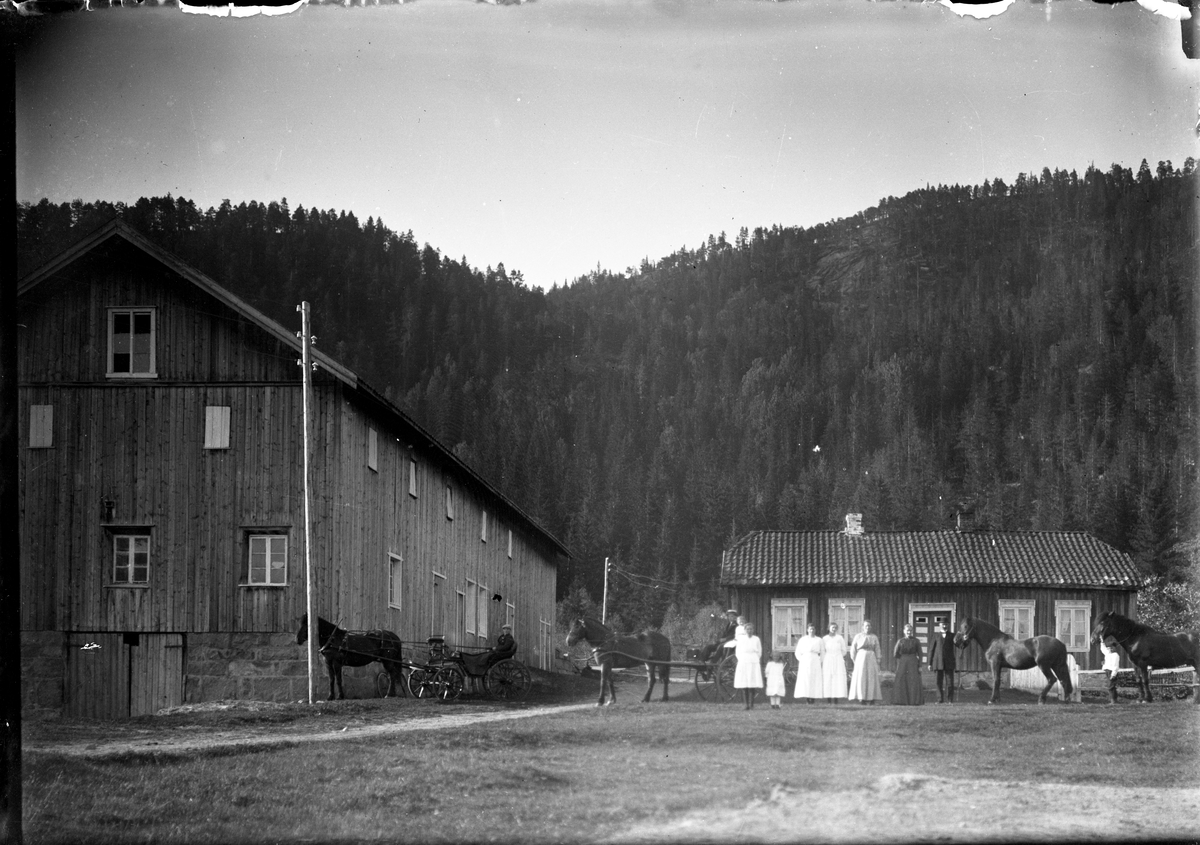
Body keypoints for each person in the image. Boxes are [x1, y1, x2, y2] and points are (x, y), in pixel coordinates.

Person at [849, 619, 883, 704]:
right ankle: (862, 698)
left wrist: (878, 658)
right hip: (861, 657)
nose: (867, 627)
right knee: (861, 677)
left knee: (871, 677)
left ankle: (871, 698)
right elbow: (853, 649)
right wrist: (854, 659)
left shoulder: (874, 637)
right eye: (866, 626)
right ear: (863, 627)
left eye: (869, 626)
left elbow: (877, 648)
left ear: (871, 627)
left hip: (871, 657)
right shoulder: (858, 636)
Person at [733, 622, 764, 710]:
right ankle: (746, 704)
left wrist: (755, 658)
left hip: (753, 661)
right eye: (748, 629)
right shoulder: (741, 639)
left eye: (751, 629)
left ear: (753, 630)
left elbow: (759, 651)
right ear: (745, 630)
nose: (749, 631)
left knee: (752, 684)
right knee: (745, 683)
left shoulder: (756, 639)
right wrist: (742, 659)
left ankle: (752, 704)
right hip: (743, 661)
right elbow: (738, 652)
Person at [891, 623, 924, 705]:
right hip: (903, 663)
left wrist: (920, 665)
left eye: (910, 631)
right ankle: (901, 701)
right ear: (904, 631)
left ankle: (914, 701)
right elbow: (895, 653)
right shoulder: (900, 641)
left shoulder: (916, 641)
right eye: (907, 631)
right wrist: (903, 658)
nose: (909, 632)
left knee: (913, 680)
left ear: (912, 631)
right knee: (901, 680)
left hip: (913, 662)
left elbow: (920, 653)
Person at [793, 623, 825, 703]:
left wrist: (820, 661)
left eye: (813, 629)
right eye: (810, 629)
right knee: (806, 679)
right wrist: (802, 660)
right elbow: (797, 652)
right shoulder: (803, 639)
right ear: (807, 630)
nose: (812, 630)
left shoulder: (819, 640)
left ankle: (813, 698)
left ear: (815, 630)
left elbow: (822, 652)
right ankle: (807, 697)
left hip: (815, 660)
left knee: (814, 679)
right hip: (805, 660)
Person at [927, 620, 956, 704]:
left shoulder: (952, 635)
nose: (944, 626)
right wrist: (929, 663)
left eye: (946, 624)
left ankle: (950, 700)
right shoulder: (936, 635)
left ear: (948, 625)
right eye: (943, 625)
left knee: (950, 682)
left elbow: (958, 644)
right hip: (938, 662)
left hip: (949, 662)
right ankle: (940, 699)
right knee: (938, 682)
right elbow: (931, 650)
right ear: (940, 625)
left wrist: (963, 640)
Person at [822, 622, 849, 703]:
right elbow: (823, 650)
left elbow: (844, 650)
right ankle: (829, 700)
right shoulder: (825, 638)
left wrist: (838, 656)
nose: (833, 629)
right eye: (832, 627)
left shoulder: (840, 638)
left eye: (835, 628)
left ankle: (836, 699)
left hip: (838, 660)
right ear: (829, 628)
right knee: (828, 678)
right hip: (828, 659)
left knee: (837, 678)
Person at [1100, 638, 1122, 703]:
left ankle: (1113, 700)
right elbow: (1102, 649)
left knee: (1110, 686)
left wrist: (1113, 674)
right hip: (1107, 671)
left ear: (1115, 648)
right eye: (1109, 648)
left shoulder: (1116, 655)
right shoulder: (1108, 653)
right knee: (1111, 686)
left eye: (1112, 648)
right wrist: (1102, 641)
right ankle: (1114, 699)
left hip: (1112, 672)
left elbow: (1115, 666)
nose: (1111, 649)